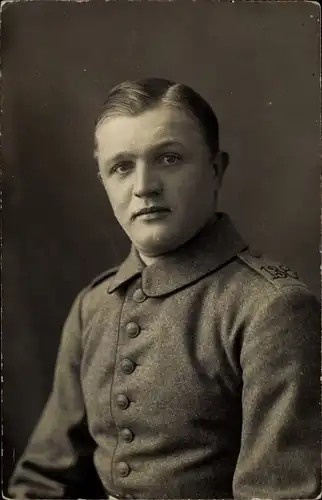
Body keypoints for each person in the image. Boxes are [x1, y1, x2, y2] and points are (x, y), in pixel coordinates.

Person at [8, 78, 321, 500]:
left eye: (169, 158)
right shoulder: (92, 306)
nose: (144, 186)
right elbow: (43, 480)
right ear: (103, 181)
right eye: (121, 167)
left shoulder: (271, 309)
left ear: (215, 169)